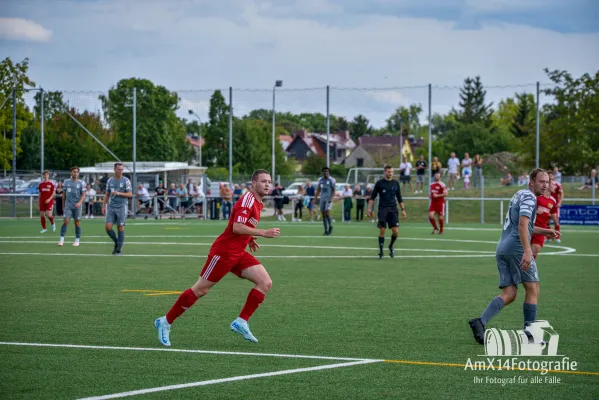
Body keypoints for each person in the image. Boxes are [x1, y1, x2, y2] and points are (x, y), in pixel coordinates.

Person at [154, 170, 281, 346]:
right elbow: (237, 227)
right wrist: (263, 233)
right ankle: (165, 322)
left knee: (265, 282)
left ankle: (241, 322)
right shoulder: (248, 200)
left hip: (238, 252)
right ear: (253, 183)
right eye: (263, 181)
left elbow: (242, 225)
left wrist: (250, 238)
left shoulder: (258, 202)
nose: (267, 184)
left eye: (269, 181)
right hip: (224, 252)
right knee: (200, 290)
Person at [469, 169, 560, 344]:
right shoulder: (530, 198)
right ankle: (530, 335)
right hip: (517, 248)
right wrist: (527, 251)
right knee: (533, 289)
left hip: (503, 247)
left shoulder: (520, 194)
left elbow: (525, 225)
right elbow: (522, 226)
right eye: (541, 181)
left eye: (547, 182)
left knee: (510, 293)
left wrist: (546, 230)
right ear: (531, 182)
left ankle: (480, 322)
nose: (545, 185)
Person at [367, 164, 407, 259]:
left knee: (395, 232)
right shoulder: (379, 183)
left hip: (393, 209)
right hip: (383, 209)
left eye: (392, 172)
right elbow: (372, 197)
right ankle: (381, 252)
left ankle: (390, 246)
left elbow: (399, 198)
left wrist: (403, 210)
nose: (390, 173)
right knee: (382, 230)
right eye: (388, 172)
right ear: (385, 172)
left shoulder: (395, 183)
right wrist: (369, 209)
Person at [102, 162, 132, 256]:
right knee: (108, 227)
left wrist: (119, 193)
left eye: (122, 169)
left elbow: (130, 194)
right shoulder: (110, 181)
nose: (121, 171)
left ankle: (119, 250)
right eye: (119, 169)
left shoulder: (126, 180)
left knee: (120, 227)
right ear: (114, 169)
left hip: (122, 206)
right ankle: (117, 243)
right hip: (111, 206)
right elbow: (107, 194)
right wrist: (103, 205)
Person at [531, 175, 558, 260]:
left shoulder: (553, 201)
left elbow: (552, 214)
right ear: (547, 185)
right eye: (553, 185)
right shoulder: (537, 197)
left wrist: (553, 219)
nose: (555, 187)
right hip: (530, 227)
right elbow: (526, 210)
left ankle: (526, 270)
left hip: (541, 229)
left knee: (535, 250)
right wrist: (535, 211)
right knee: (523, 252)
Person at [58, 166, 87, 247]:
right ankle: (61, 239)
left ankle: (77, 240)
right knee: (66, 221)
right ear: (71, 173)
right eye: (73, 172)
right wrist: (63, 205)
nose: (75, 173)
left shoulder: (82, 183)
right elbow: (63, 194)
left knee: (77, 222)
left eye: (76, 172)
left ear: (78, 173)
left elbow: (84, 194)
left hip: (77, 206)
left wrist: (80, 202)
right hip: (68, 206)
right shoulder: (66, 182)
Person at [315, 167, 336, 235]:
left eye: (327, 171)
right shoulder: (320, 180)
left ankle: (330, 226)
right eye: (324, 171)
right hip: (322, 199)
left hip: (328, 199)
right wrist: (315, 198)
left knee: (327, 212)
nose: (326, 172)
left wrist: (331, 198)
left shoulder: (332, 180)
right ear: (323, 172)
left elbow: (334, 190)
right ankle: (326, 230)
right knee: (323, 214)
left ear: (329, 172)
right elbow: (318, 190)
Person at [548, 170, 563, 243]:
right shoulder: (545, 184)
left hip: (555, 206)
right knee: (546, 221)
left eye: (551, 175)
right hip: (546, 205)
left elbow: (561, 194)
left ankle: (557, 237)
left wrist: (560, 202)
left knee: (556, 221)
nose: (550, 177)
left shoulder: (557, 184)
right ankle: (548, 237)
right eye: (549, 175)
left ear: (553, 176)